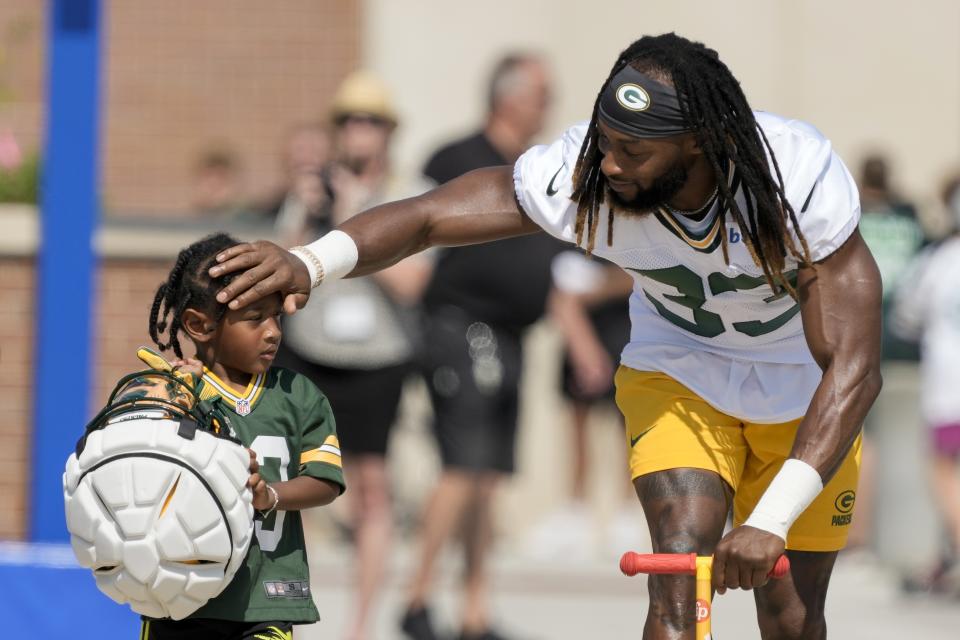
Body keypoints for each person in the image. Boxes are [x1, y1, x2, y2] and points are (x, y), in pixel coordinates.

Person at [210, 33, 883, 640]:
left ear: (697, 144)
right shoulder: (588, 172)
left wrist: (773, 516)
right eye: (605, 141)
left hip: (801, 389)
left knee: (791, 615)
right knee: (680, 569)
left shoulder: (791, 176)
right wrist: (310, 262)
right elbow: (429, 217)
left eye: (634, 151)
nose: (610, 166)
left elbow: (854, 365)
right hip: (681, 370)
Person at [396, 53, 555, 640]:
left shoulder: (538, 171)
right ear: (509, 98)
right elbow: (412, 234)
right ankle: (416, 601)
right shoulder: (454, 159)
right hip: (461, 328)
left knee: (489, 475)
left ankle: (474, 610)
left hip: (514, 336)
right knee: (462, 466)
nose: (549, 106)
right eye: (542, 94)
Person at [271, 70, 431, 640]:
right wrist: (306, 211)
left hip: (378, 359)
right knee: (285, 477)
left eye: (369, 121)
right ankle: (281, 609)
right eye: (348, 121)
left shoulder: (407, 193)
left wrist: (356, 218)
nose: (357, 133)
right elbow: (281, 273)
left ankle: (360, 627)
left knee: (370, 487)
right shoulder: (314, 190)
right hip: (312, 352)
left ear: (388, 131)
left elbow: (414, 285)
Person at [140, 232, 346, 640]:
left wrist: (270, 495)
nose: (272, 332)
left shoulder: (298, 395)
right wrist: (163, 402)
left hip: (263, 599)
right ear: (199, 325)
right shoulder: (175, 389)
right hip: (177, 599)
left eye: (277, 318)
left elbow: (325, 481)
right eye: (255, 319)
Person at [524, 250, 634, 560]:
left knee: (628, 432)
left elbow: (639, 276)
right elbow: (560, 294)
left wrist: (597, 287)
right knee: (577, 431)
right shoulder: (572, 230)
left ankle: (626, 515)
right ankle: (575, 510)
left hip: (626, 334)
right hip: (581, 339)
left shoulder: (635, 222)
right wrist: (582, 344)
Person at [846, 153, 926, 550]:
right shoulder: (910, 223)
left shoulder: (848, 216)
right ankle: (878, 537)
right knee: (895, 441)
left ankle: (854, 534)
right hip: (902, 346)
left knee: (857, 438)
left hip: (856, 339)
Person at [892, 174, 960, 593]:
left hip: (949, 390)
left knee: (945, 475)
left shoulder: (940, 260)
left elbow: (906, 317)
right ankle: (943, 558)